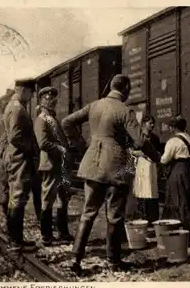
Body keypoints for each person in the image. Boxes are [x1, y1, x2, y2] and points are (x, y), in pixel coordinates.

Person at [61, 74, 160, 274]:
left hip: (93, 164)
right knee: (115, 216)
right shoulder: (124, 110)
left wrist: (83, 146)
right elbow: (140, 141)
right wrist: (157, 157)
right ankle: (114, 260)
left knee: (88, 213)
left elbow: (66, 122)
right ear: (125, 90)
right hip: (117, 167)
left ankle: (75, 259)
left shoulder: (94, 105)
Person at [2, 78, 40, 252]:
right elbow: (15, 137)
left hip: (15, 157)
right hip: (20, 158)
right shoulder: (18, 109)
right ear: (24, 90)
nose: (31, 96)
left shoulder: (11, 106)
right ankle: (16, 242)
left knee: (14, 198)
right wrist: (32, 149)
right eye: (31, 92)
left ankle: (15, 239)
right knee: (18, 198)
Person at [33, 87, 74, 246]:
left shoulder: (51, 118)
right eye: (48, 98)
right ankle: (46, 235)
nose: (52, 100)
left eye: (53, 98)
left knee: (63, 200)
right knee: (48, 200)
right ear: (41, 100)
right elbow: (43, 143)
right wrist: (61, 148)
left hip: (61, 166)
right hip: (50, 165)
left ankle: (63, 233)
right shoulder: (41, 119)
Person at [160, 115, 190, 245]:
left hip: (177, 170)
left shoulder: (173, 141)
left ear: (173, 128)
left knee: (178, 200)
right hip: (189, 170)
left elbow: (164, 159)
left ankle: (181, 232)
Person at [130, 115, 161, 224]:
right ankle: (142, 215)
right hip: (141, 166)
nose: (152, 125)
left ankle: (152, 217)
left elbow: (158, 153)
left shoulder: (155, 138)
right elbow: (130, 150)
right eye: (150, 123)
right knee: (141, 190)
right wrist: (138, 153)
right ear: (144, 124)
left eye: (153, 123)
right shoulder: (138, 137)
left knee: (152, 191)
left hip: (151, 166)